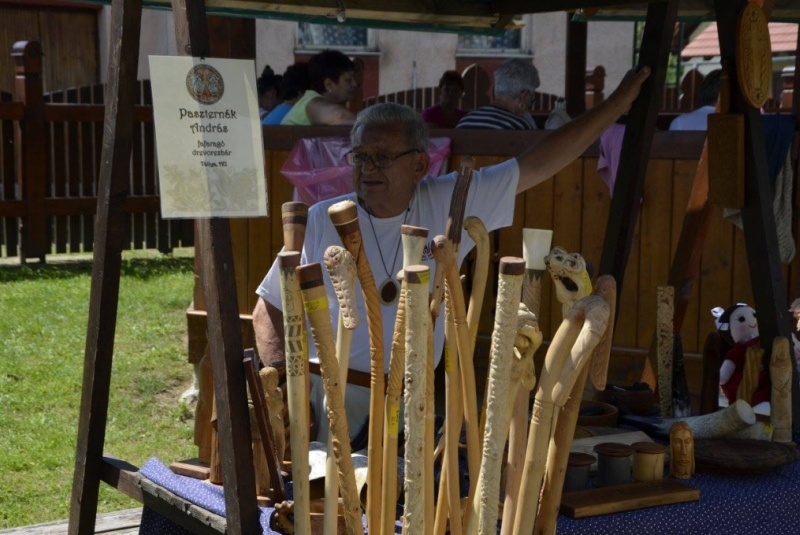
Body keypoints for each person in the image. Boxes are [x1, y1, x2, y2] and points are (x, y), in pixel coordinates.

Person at [253, 66, 650, 443]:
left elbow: (540, 162)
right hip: (330, 398)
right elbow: (269, 305)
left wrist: (616, 105)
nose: (368, 168)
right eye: (360, 156)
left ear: (419, 164)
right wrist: (285, 387)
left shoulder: (450, 199)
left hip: (412, 396)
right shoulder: (326, 218)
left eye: (383, 156)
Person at [456, 58, 540, 130]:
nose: (530, 101)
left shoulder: (465, 121)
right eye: (531, 96)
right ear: (524, 95)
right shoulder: (520, 126)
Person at [281, 49, 357, 126]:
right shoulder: (311, 103)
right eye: (348, 80)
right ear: (329, 84)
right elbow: (340, 116)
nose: (355, 84)